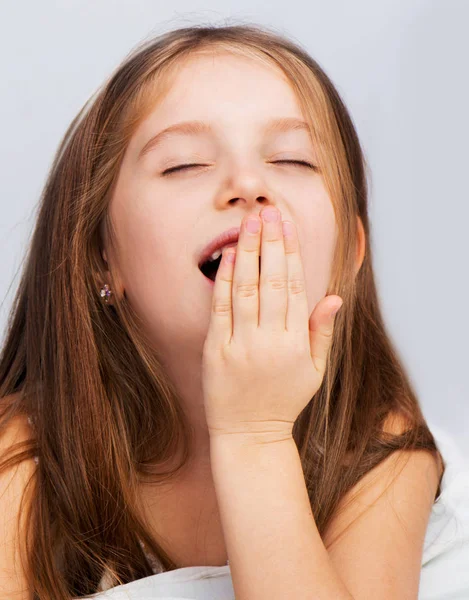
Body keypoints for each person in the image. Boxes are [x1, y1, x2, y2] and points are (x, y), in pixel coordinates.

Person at [1, 22, 466, 600]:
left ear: (349, 253)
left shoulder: (378, 444)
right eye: (184, 165)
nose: (248, 185)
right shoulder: (26, 452)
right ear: (102, 259)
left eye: (294, 160)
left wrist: (256, 438)